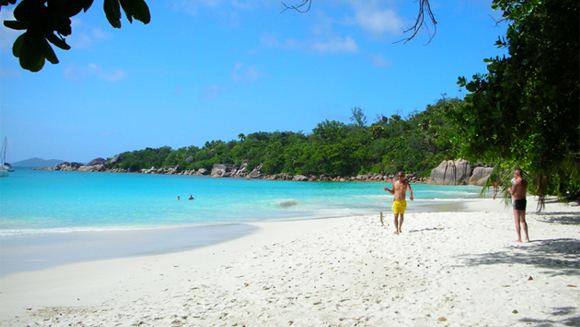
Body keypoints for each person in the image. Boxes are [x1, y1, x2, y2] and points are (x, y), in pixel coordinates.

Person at [508, 168, 529, 242]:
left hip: (517, 201)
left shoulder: (516, 182)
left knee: (517, 221)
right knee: (523, 220)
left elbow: (513, 192)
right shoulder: (525, 182)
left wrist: (509, 190)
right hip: (523, 200)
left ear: (517, 174)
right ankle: (526, 237)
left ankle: (519, 238)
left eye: (514, 174)